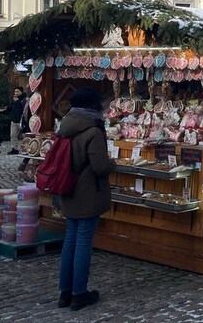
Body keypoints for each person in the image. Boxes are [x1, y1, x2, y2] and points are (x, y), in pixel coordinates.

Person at [57, 87, 115, 311]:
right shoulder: (93, 131)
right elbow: (100, 166)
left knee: (70, 241)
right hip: (88, 193)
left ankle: (65, 292)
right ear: (93, 106)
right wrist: (113, 165)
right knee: (82, 243)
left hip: (68, 190)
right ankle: (79, 293)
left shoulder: (65, 127)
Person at [8, 86, 28, 155]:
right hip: (14, 120)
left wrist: (18, 102)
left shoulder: (24, 99)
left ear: (21, 92)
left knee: (24, 135)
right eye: (15, 91)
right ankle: (14, 148)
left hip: (22, 120)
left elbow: (23, 109)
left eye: (17, 91)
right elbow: (10, 108)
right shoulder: (14, 99)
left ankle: (25, 148)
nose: (16, 93)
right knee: (13, 135)